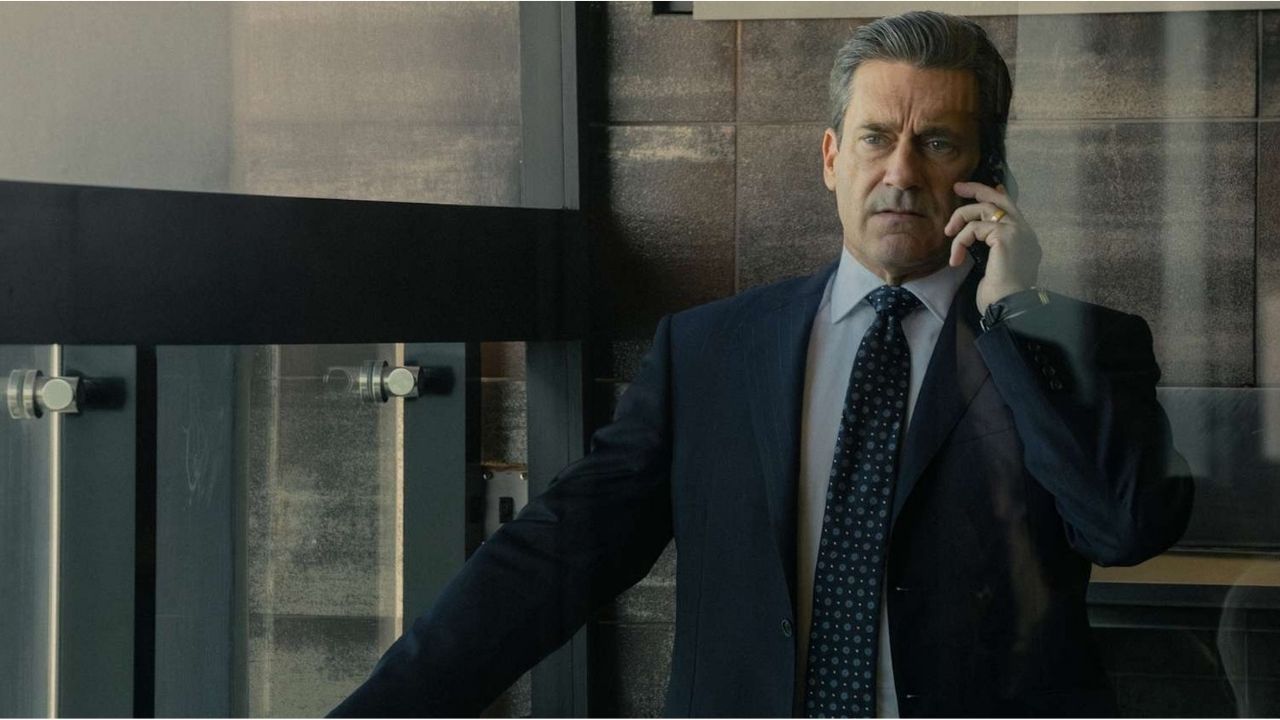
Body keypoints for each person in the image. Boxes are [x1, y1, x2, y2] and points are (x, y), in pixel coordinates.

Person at [331, 11, 1193, 718]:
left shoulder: (1077, 344)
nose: (900, 172)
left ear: (988, 174)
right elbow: (555, 555)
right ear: (831, 158)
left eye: (937, 142)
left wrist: (1015, 316)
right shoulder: (709, 350)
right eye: (875, 138)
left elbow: (1123, 528)